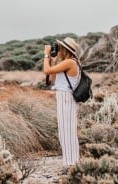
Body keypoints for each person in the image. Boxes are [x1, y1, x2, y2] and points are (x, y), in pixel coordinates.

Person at [43, 37, 81, 175]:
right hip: (63, 98)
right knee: (65, 131)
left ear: (66, 50)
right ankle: (71, 162)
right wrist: (53, 60)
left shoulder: (70, 62)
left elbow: (46, 71)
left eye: (60, 47)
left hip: (66, 98)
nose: (58, 49)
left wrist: (46, 54)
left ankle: (71, 165)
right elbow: (52, 78)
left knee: (67, 132)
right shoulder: (67, 62)